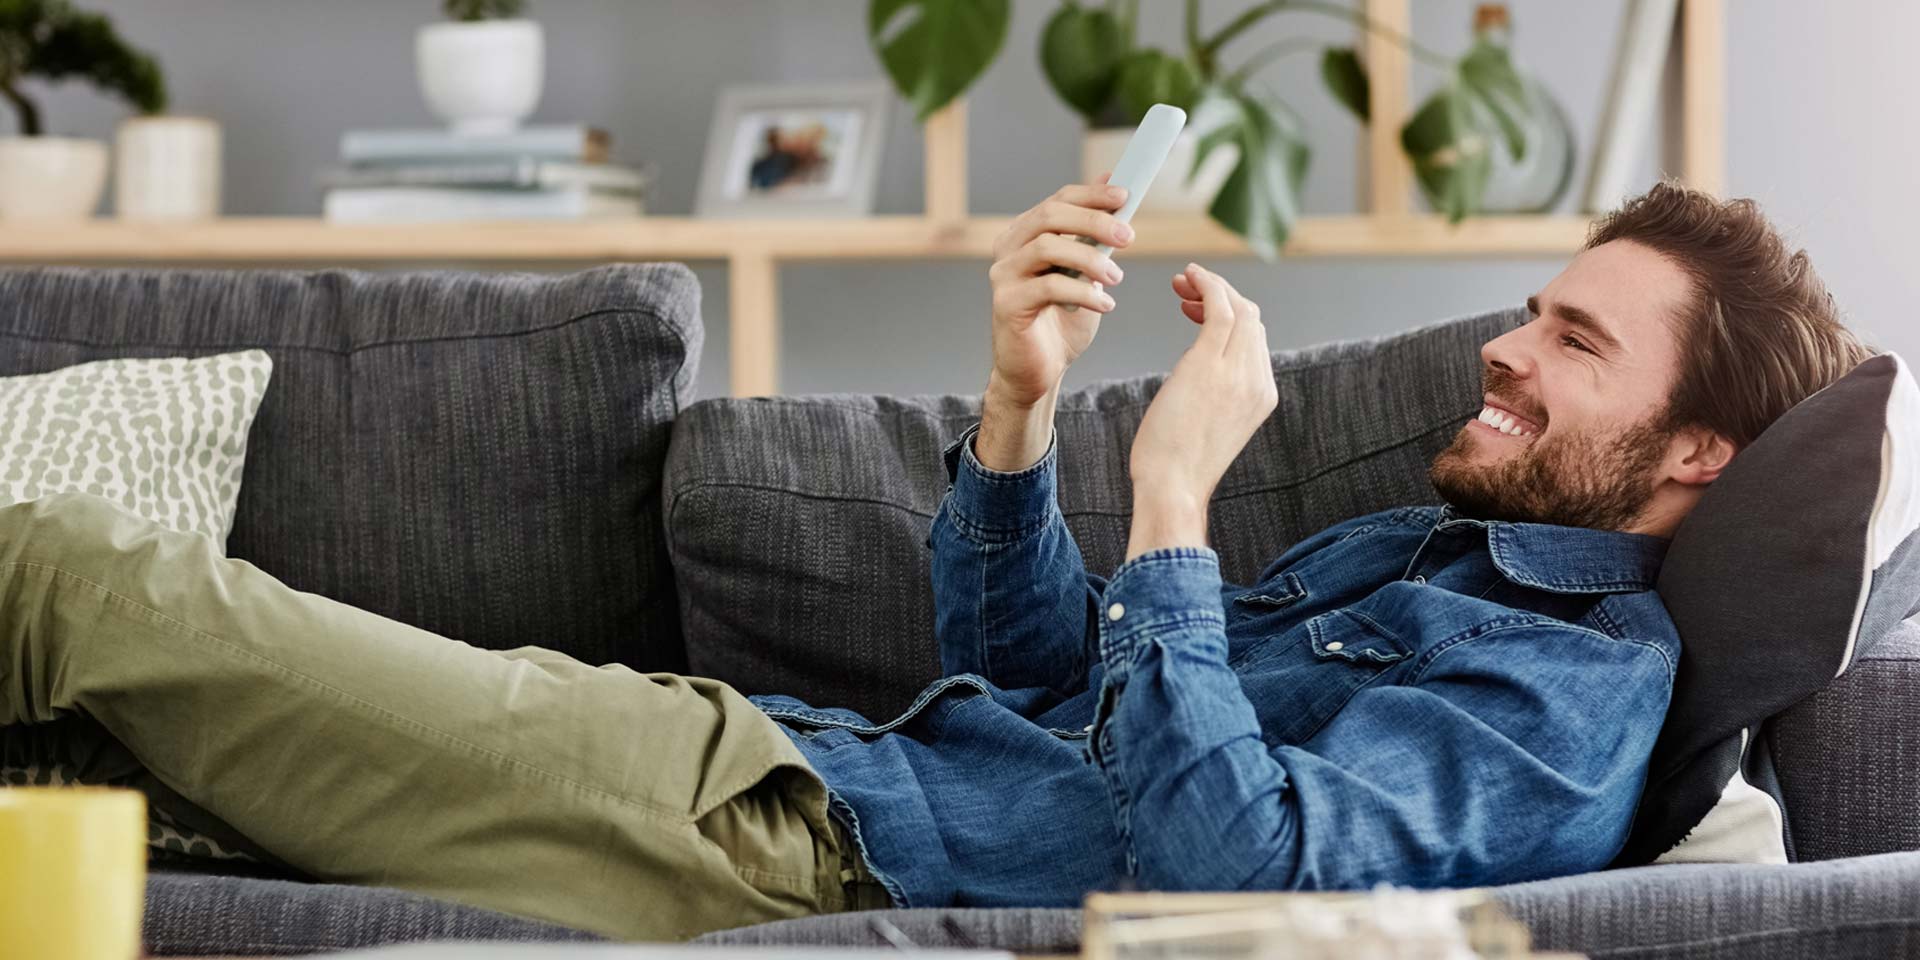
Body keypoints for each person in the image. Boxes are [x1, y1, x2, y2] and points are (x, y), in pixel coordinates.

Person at [0, 182, 1871, 942]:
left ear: (1696, 456)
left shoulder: (1576, 689)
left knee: (99, 585)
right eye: (1534, 310)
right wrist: (1018, 415)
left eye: (1576, 344)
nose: (1507, 349)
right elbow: (1058, 700)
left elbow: (1233, 887)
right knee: (121, 683)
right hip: (771, 761)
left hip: (773, 833)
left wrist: (1171, 512)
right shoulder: (1443, 557)